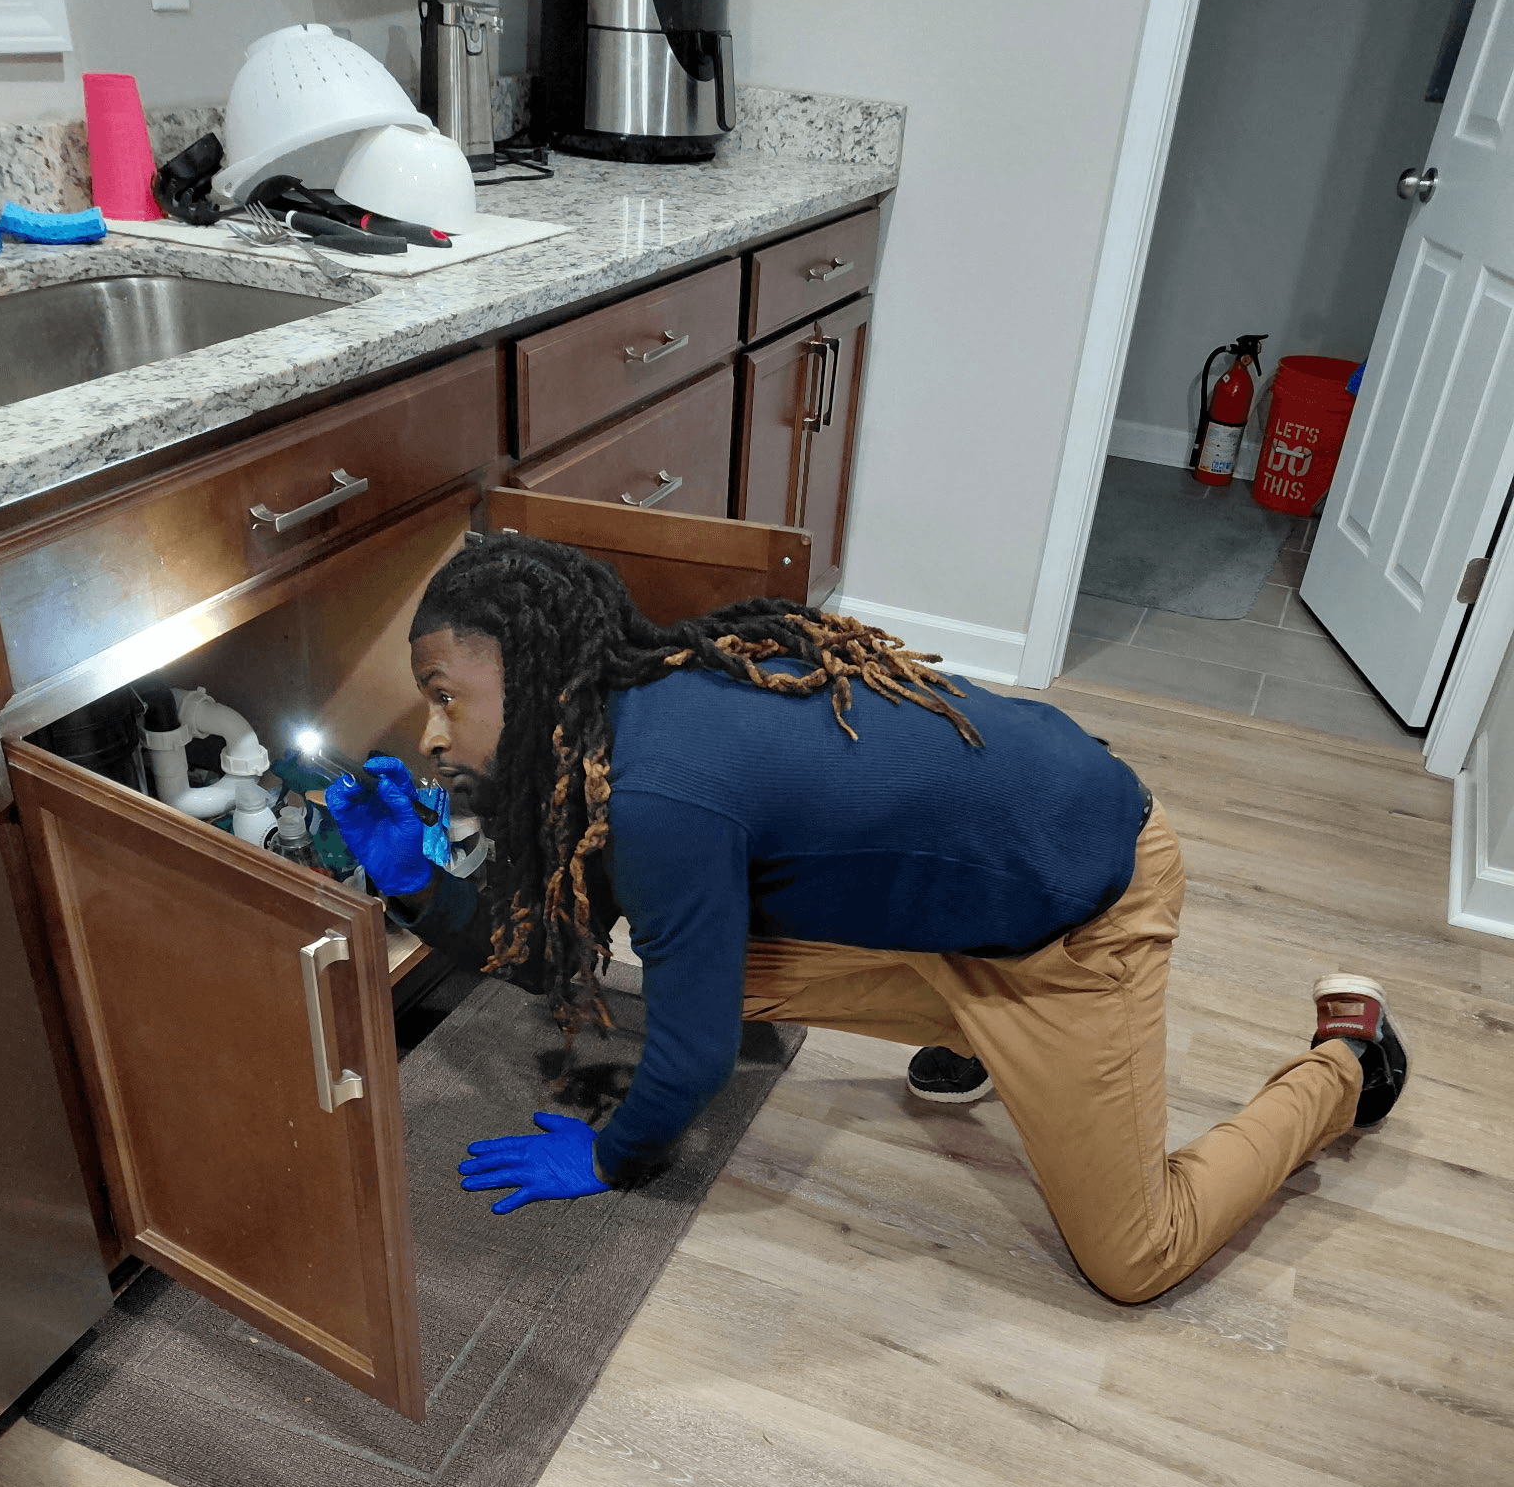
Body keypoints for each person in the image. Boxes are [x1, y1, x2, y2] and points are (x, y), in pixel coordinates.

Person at [327, 533, 1408, 1304]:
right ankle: (967, 1026)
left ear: (540, 673)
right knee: (712, 962)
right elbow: (550, 945)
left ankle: (1347, 1064)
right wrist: (410, 877)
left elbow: (695, 1060)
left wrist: (613, 1157)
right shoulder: (632, 717)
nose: (429, 732)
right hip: (1002, 849)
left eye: (444, 693)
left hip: (1082, 911)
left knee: (1137, 1255)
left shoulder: (657, 797)